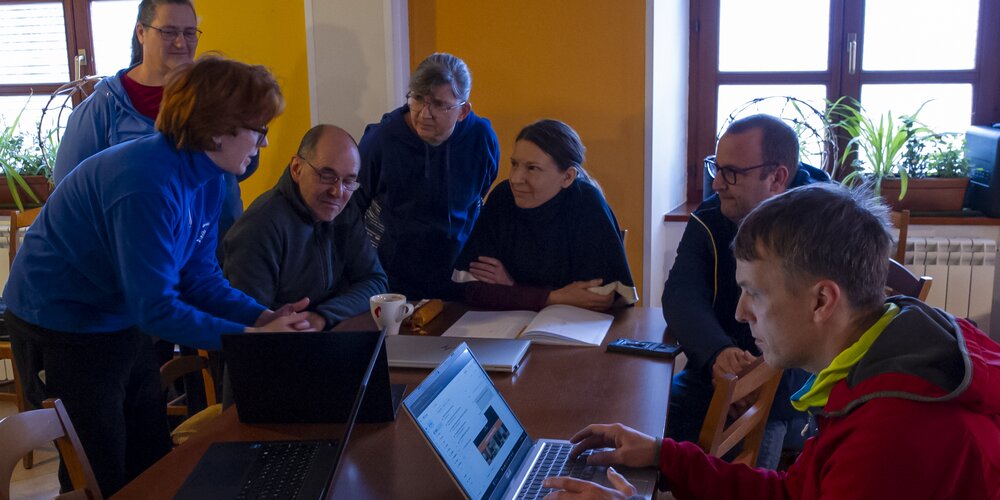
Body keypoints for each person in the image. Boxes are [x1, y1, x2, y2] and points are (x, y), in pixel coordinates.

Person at [543, 183, 1000, 499]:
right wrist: (665, 458)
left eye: (755, 293)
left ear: (821, 300)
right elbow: (792, 493)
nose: (741, 313)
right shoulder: (878, 361)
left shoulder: (892, 433)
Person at [5, 56, 312, 496]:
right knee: (99, 470)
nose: (263, 142)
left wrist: (263, 317)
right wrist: (250, 337)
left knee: (150, 457)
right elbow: (156, 309)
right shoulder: (144, 180)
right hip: (60, 320)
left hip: (118, 312)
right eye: (257, 129)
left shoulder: (211, 176)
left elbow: (200, 278)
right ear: (217, 130)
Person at [661, 114, 828, 468]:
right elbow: (680, 294)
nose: (717, 183)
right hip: (716, 372)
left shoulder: (824, 224)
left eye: (732, 173)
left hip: (796, 390)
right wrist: (718, 352)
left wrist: (757, 379)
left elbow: (822, 335)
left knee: (746, 451)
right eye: (716, 168)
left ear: (777, 178)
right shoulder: (710, 216)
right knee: (644, 416)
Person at [53, 0, 255, 247]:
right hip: (139, 255)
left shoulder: (217, 95)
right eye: (169, 32)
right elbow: (68, 198)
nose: (181, 43)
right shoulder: (103, 108)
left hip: (219, 249)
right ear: (141, 32)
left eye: (189, 32)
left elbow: (244, 165)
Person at [354, 52, 499, 300]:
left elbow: (480, 190)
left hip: (456, 270)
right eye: (418, 99)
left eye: (439, 105)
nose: (424, 114)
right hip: (391, 274)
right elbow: (354, 205)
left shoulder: (481, 138)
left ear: (463, 111)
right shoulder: (381, 139)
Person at [451, 119, 637, 311]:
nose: (515, 179)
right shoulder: (503, 197)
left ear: (567, 177)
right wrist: (553, 297)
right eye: (514, 164)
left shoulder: (586, 203)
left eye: (532, 168)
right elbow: (472, 289)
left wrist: (512, 288)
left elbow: (598, 299)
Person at [223, 124, 388, 330]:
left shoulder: (345, 211)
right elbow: (250, 323)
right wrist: (308, 323)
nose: (337, 192)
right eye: (327, 176)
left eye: (348, 181)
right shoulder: (259, 228)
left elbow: (375, 281)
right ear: (297, 169)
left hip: (328, 333)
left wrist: (322, 316)